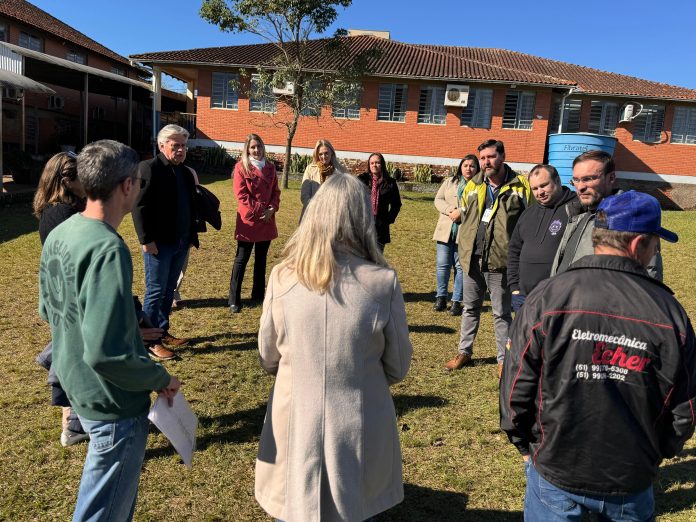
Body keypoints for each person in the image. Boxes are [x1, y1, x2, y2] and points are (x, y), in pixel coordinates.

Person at [500, 190, 695, 521]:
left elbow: (516, 384)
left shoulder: (548, 295)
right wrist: (657, 451)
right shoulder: (670, 314)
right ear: (638, 244)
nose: (655, 251)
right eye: (655, 244)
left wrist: (525, 443)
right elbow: (684, 408)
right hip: (627, 476)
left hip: (556, 465)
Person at [255, 173, 412, 522]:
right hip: (359, 421)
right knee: (355, 507)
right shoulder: (382, 282)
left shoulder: (282, 276)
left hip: (296, 418)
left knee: (294, 505)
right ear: (362, 217)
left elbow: (267, 356)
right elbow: (398, 365)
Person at [38, 139, 181, 522]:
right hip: (113, 403)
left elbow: (50, 310)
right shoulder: (108, 248)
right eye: (139, 181)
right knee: (102, 512)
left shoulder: (61, 231)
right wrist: (160, 377)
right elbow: (107, 354)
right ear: (127, 186)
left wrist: (124, 327)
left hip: (77, 385)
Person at [445, 139, 533, 376]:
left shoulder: (520, 186)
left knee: (501, 313)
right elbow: (465, 214)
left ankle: (504, 359)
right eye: (483, 158)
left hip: (500, 261)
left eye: (491, 157)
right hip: (472, 259)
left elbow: (531, 221)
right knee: (469, 308)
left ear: (502, 156)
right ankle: (464, 352)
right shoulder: (473, 184)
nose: (486, 162)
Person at [33, 151, 89, 447]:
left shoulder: (62, 209)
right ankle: (73, 425)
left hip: (65, 292)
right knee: (75, 359)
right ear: (67, 181)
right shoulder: (62, 214)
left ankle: (50, 356)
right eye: (83, 177)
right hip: (69, 293)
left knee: (72, 352)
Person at [132, 124, 199, 360]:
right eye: (176, 145)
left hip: (180, 241)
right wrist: (146, 240)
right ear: (162, 145)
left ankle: (161, 330)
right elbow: (139, 206)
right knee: (156, 290)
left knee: (169, 289)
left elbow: (190, 205)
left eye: (184, 146)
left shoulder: (184, 172)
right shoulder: (148, 168)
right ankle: (149, 341)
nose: (181, 150)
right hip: (158, 244)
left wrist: (190, 236)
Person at [551, 149, 662, 279]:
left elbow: (648, 276)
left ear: (611, 178)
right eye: (576, 180)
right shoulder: (578, 214)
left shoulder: (630, 219)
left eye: (588, 179)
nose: (580, 187)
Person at [507, 164, 580, 312]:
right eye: (535, 188)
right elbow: (514, 251)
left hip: (558, 298)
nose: (539, 192)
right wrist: (514, 287)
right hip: (524, 297)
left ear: (557, 181)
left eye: (544, 185)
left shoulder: (577, 209)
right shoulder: (528, 214)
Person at [229, 133, 281, 313]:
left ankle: (258, 295)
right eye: (252, 147)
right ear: (247, 149)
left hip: (267, 219)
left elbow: (276, 192)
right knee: (241, 259)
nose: (256, 150)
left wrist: (272, 209)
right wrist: (261, 210)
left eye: (259, 146)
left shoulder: (270, 168)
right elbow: (241, 195)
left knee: (261, 259)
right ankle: (234, 299)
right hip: (249, 220)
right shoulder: (241, 167)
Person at [432, 154, 479, 316]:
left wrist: (461, 213)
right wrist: (450, 210)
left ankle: (456, 301)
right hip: (445, 230)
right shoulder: (450, 182)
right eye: (465, 165)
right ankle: (441, 298)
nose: (468, 168)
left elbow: (479, 207)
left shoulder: (480, 186)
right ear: (461, 167)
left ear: (477, 168)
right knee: (442, 265)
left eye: (472, 166)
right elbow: (438, 199)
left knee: (460, 267)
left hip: (465, 233)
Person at [357, 153, 402, 251]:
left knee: (377, 257)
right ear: (369, 165)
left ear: (382, 164)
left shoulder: (390, 183)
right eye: (372, 163)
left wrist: (389, 219)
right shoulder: (362, 180)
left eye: (377, 163)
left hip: (380, 228)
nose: (374, 165)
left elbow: (396, 204)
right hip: (363, 225)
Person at [299, 139, 344, 220]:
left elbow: (344, 196)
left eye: (326, 153)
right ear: (317, 155)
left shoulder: (341, 171)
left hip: (333, 217)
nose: (323, 157)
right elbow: (304, 195)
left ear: (331, 153)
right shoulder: (310, 169)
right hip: (311, 216)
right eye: (320, 154)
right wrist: (315, 208)